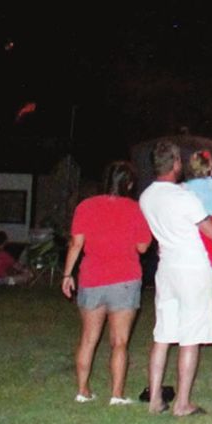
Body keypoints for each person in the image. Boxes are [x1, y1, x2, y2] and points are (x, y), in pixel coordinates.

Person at [139, 138, 212, 417]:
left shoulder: (147, 196)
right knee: (191, 336)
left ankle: (154, 400)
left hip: (166, 268)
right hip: (192, 268)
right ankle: (182, 403)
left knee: (162, 334)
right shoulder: (184, 197)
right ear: (176, 163)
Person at [60, 161, 153, 403]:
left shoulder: (86, 206)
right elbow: (142, 247)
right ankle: (117, 395)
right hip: (124, 279)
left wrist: (67, 274)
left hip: (91, 279)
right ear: (129, 184)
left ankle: (82, 390)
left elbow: (76, 244)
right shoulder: (135, 209)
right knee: (120, 341)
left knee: (88, 338)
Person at [182, 149, 212, 280]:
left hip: (201, 217)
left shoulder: (188, 185)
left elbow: (178, 190)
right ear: (211, 169)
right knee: (208, 243)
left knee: (203, 241)